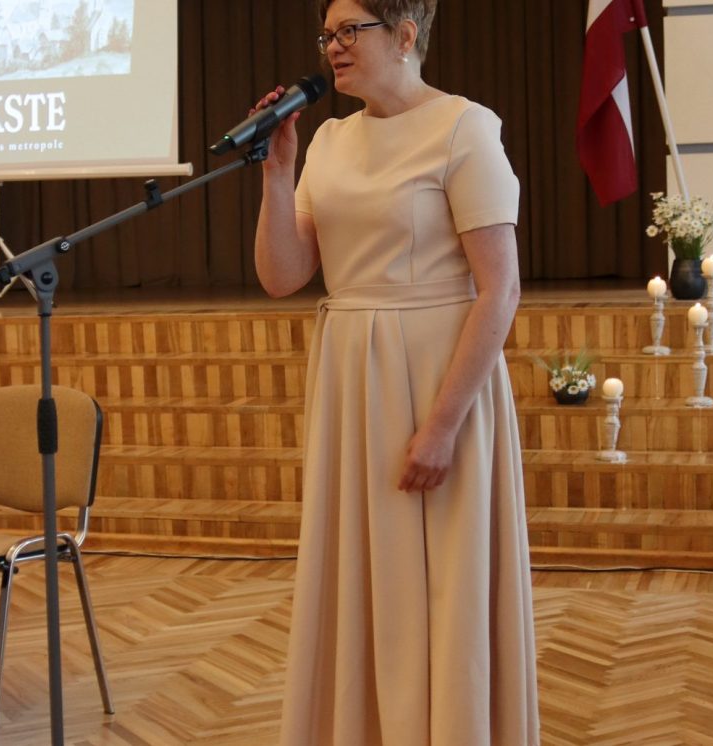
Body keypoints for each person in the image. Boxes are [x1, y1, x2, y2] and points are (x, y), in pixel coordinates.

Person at [253, 1, 539, 744]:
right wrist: (277, 174)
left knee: (445, 585)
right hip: (354, 385)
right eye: (328, 34)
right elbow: (283, 275)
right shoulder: (328, 140)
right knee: (364, 577)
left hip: (440, 385)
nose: (334, 46)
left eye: (351, 30)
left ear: (406, 35)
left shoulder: (463, 128)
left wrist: (442, 427)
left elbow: (500, 291)